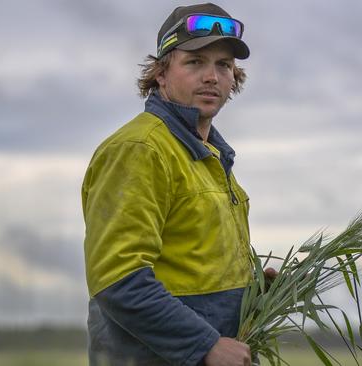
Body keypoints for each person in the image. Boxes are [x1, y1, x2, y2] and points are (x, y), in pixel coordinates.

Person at [82, 3, 271, 365]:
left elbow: (192, 265)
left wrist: (252, 291)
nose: (212, 76)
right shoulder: (140, 150)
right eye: (195, 62)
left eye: (223, 65)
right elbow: (118, 280)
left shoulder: (209, 154)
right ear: (161, 73)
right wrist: (205, 345)